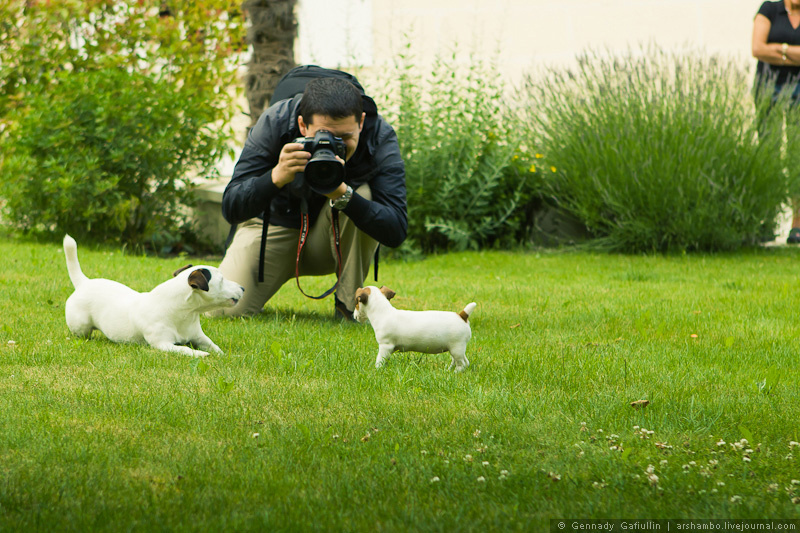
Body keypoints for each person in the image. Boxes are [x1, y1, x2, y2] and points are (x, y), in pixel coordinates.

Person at [217, 73, 407, 319]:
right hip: (274, 227)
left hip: (331, 238)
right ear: (302, 125)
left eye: (345, 138)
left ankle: (348, 309)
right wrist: (274, 177)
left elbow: (396, 229)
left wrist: (343, 194)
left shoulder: (378, 134)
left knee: (363, 194)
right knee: (223, 311)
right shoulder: (275, 122)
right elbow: (231, 208)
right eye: (324, 137)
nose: (335, 146)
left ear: (361, 122)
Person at [752, 0, 800, 243]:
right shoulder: (769, 10)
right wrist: (793, 53)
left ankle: (797, 224)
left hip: (798, 91)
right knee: (768, 152)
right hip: (767, 88)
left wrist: (778, 51)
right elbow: (758, 49)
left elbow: (768, 50)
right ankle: (767, 219)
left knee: (796, 155)